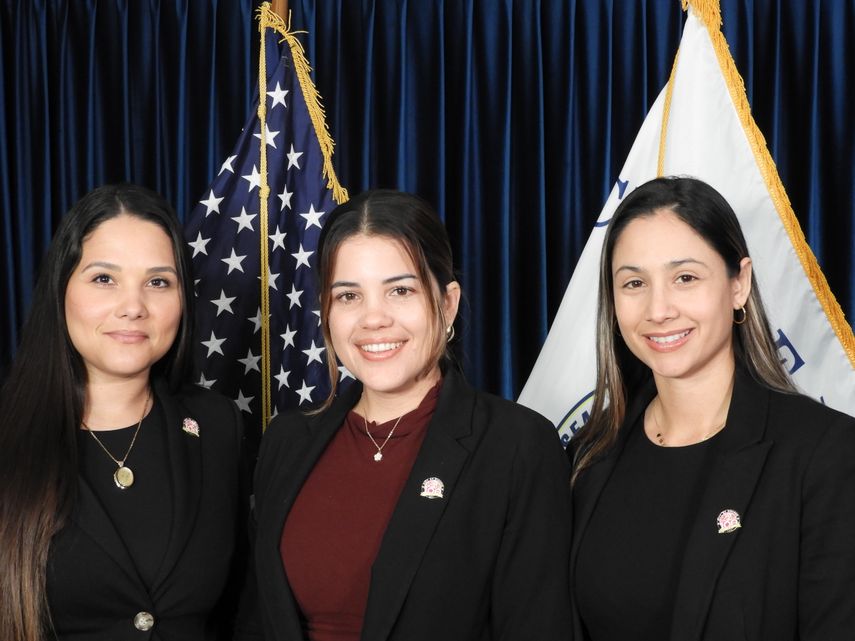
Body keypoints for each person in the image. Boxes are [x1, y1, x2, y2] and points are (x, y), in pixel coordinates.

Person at [235, 190, 572, 641]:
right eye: (349, 296)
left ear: (447, 303)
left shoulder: (518, 445)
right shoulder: (287, 440)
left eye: (400, 290)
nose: (374, 319)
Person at [569, 176, 855, 640]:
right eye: (634, 282)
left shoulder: (824, 454)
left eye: (685, 278)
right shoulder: (587, 455)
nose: (658, 309)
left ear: (738, 283)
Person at [0, 184, 245, 641]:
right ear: (61, 289)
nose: (133, 307)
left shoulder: (218, 427)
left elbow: (241, 611)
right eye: (103, 279)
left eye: (158, 282)